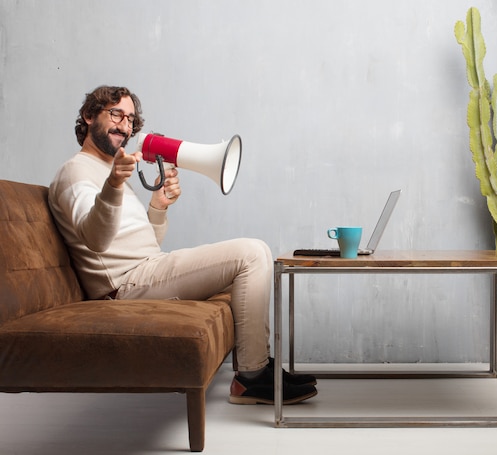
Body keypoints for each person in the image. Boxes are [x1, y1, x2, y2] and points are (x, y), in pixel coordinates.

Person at [48, 85, 317, 405]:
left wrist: (158, 207)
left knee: (248, 265)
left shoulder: (108, 172)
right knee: (252, 252)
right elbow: (96, 241)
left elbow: (141, 246)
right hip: (124, 286)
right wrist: (115, 184)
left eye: (131, 119)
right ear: (89, 116)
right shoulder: (76, 172)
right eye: (116, 114)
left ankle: (256, 369)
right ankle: (252, 376)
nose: (124, 126)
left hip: (145, 270)